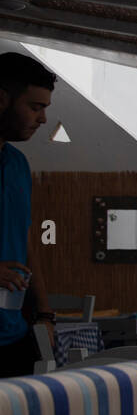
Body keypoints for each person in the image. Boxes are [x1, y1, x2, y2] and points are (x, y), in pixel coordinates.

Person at [0, 51, 56, 378]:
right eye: (35, 107)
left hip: (15, 335)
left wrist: (45, 314)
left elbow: (26, 239)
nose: (43, 119)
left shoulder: (18, 165)